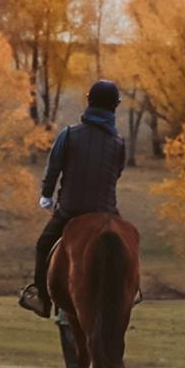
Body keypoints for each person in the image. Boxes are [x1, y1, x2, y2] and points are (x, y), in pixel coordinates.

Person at [19, 79, 127, 321]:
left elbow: (53, 170)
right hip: (106, 213)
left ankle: (42, 299)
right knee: (127, 247)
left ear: (89, 102)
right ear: (114, 107)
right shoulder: (119, 143)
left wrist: (47, 196)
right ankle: (133, 291)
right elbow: (116, 173)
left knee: (43, 244)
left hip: (71, 210)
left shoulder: (68, 135)